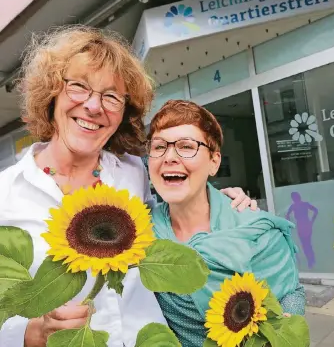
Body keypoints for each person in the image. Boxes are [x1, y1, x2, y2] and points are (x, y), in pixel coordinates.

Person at [0, 26, 256, 347]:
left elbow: (179, 210)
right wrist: (30, 332)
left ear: (123, 113)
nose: (94, 106)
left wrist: (226, 203)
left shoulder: (135, 174)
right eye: (79, 86)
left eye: (111, 96)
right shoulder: (5, 195)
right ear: (52, 93)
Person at [148, 100, 306, 347]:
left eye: (186, 146)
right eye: (159, 147)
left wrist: (283, 330)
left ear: (214, 161)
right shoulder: (138, 235)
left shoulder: (257, 233)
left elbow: (290, 295)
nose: (169, 157)